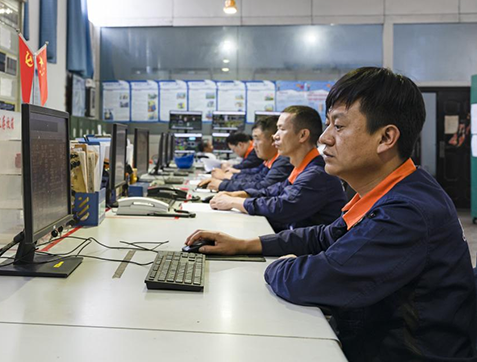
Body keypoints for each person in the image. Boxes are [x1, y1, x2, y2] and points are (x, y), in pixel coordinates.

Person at [186, 67, 477, 361]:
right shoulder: (397, 189)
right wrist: (246, 245)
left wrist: (281, 265)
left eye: (338, 126)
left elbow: (312, 280)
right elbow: (325, 236)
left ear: (386, 137)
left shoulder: (407, 212)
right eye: (327, 125)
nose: (324, 138)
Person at [208, 106, 345, 231]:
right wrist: (237, 195)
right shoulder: (302, 168)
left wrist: (234, 201)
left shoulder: (317, 174)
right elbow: (273, 191)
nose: (275, 136)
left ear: (302, 135)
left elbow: (282, 207)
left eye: (282, 129)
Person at [199, 116, 292, 192]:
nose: (254, 145)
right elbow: (257, 177)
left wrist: (224, 183)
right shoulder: (271, 159)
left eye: (257, 139)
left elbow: (263, 187)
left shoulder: (284, 161)